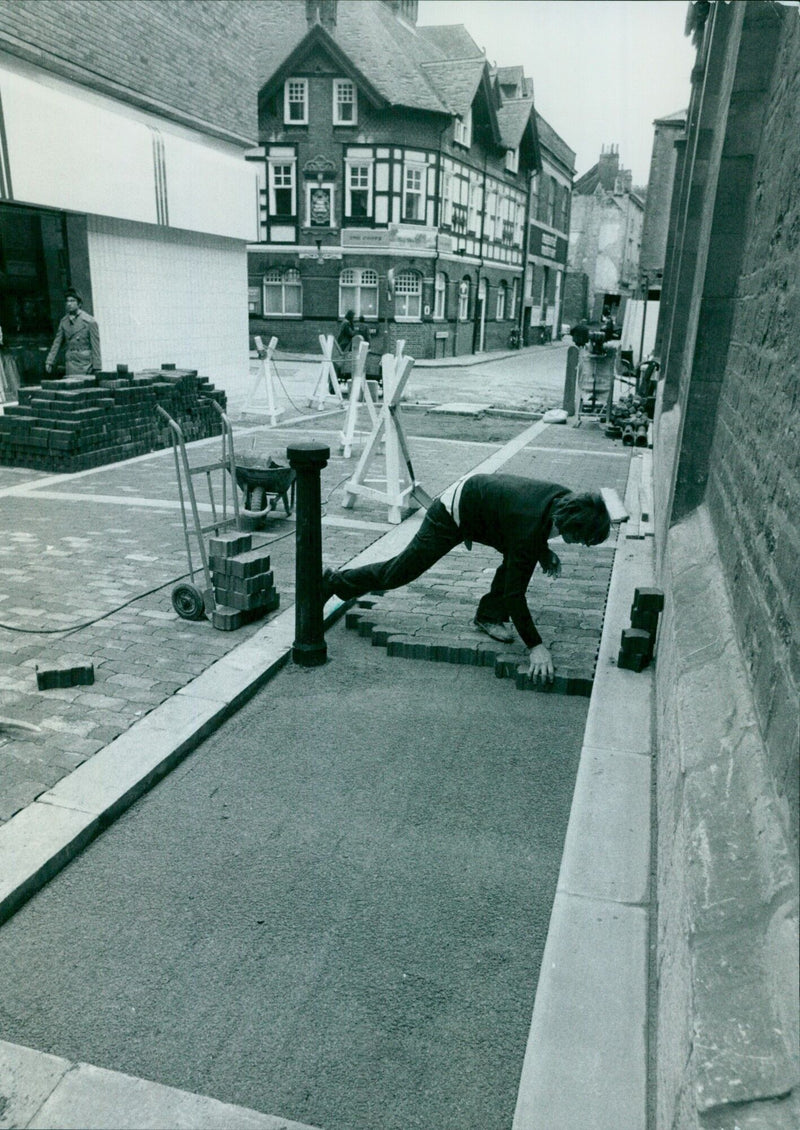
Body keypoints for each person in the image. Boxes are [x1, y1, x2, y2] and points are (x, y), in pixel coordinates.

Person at [323, 474, 611, 683]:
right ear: (571, 524)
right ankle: (334, 582)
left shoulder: (565, 501)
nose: (579, 545)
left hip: (488, 512)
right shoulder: (530, 527)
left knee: (517, 561)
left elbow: (530, 531)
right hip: (453, 513)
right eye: (581, 540)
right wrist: (535, 646)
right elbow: (516, 594)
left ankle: (487, 616)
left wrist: (543, 552)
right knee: (400, 572)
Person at [45, 289, 101, 376]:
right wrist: (50, 361)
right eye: (67, 301)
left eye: (72, 301)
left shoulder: (89, 321)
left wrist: (97, 368)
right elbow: (57, 343)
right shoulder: (64, 322)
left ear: (79, 303)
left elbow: (96, 346)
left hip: (85, 364)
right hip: (70, 364)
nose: (69, 303)